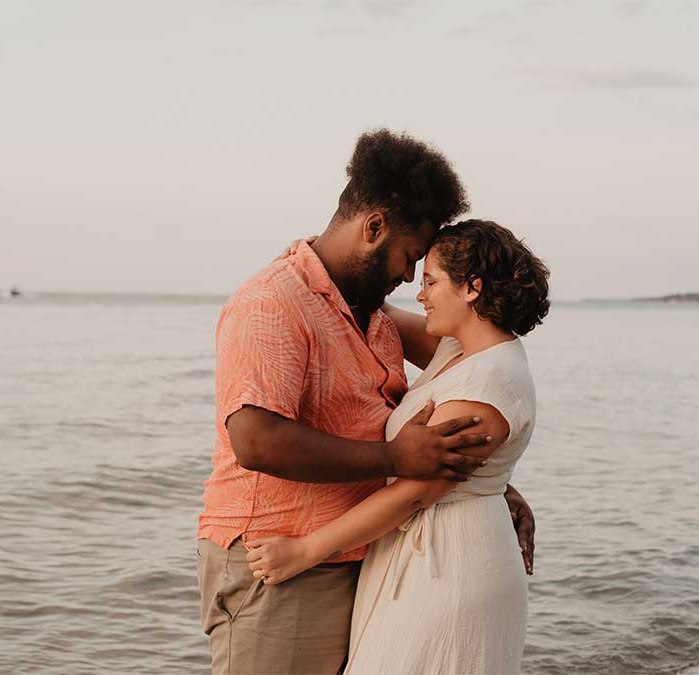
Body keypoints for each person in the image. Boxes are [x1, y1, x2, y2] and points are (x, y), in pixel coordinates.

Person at [197, 129, 536, 675]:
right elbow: (255, 440)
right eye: (409, 259)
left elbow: (470, 380)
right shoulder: (273, 303)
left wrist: (488, 482)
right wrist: (398, 461)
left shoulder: (372, 314)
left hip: (356, 552)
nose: (409, 278)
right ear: (373, 227)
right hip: (279, 559)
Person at [246, 219, 550, 674]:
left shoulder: (486, 380)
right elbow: (372, 306)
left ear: (473, 288)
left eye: (430, 281)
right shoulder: (460, 351)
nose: (420, 292)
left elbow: (414, 492)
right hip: (428, 555)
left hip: (449, 567)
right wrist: (311, 257)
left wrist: (305, 551)